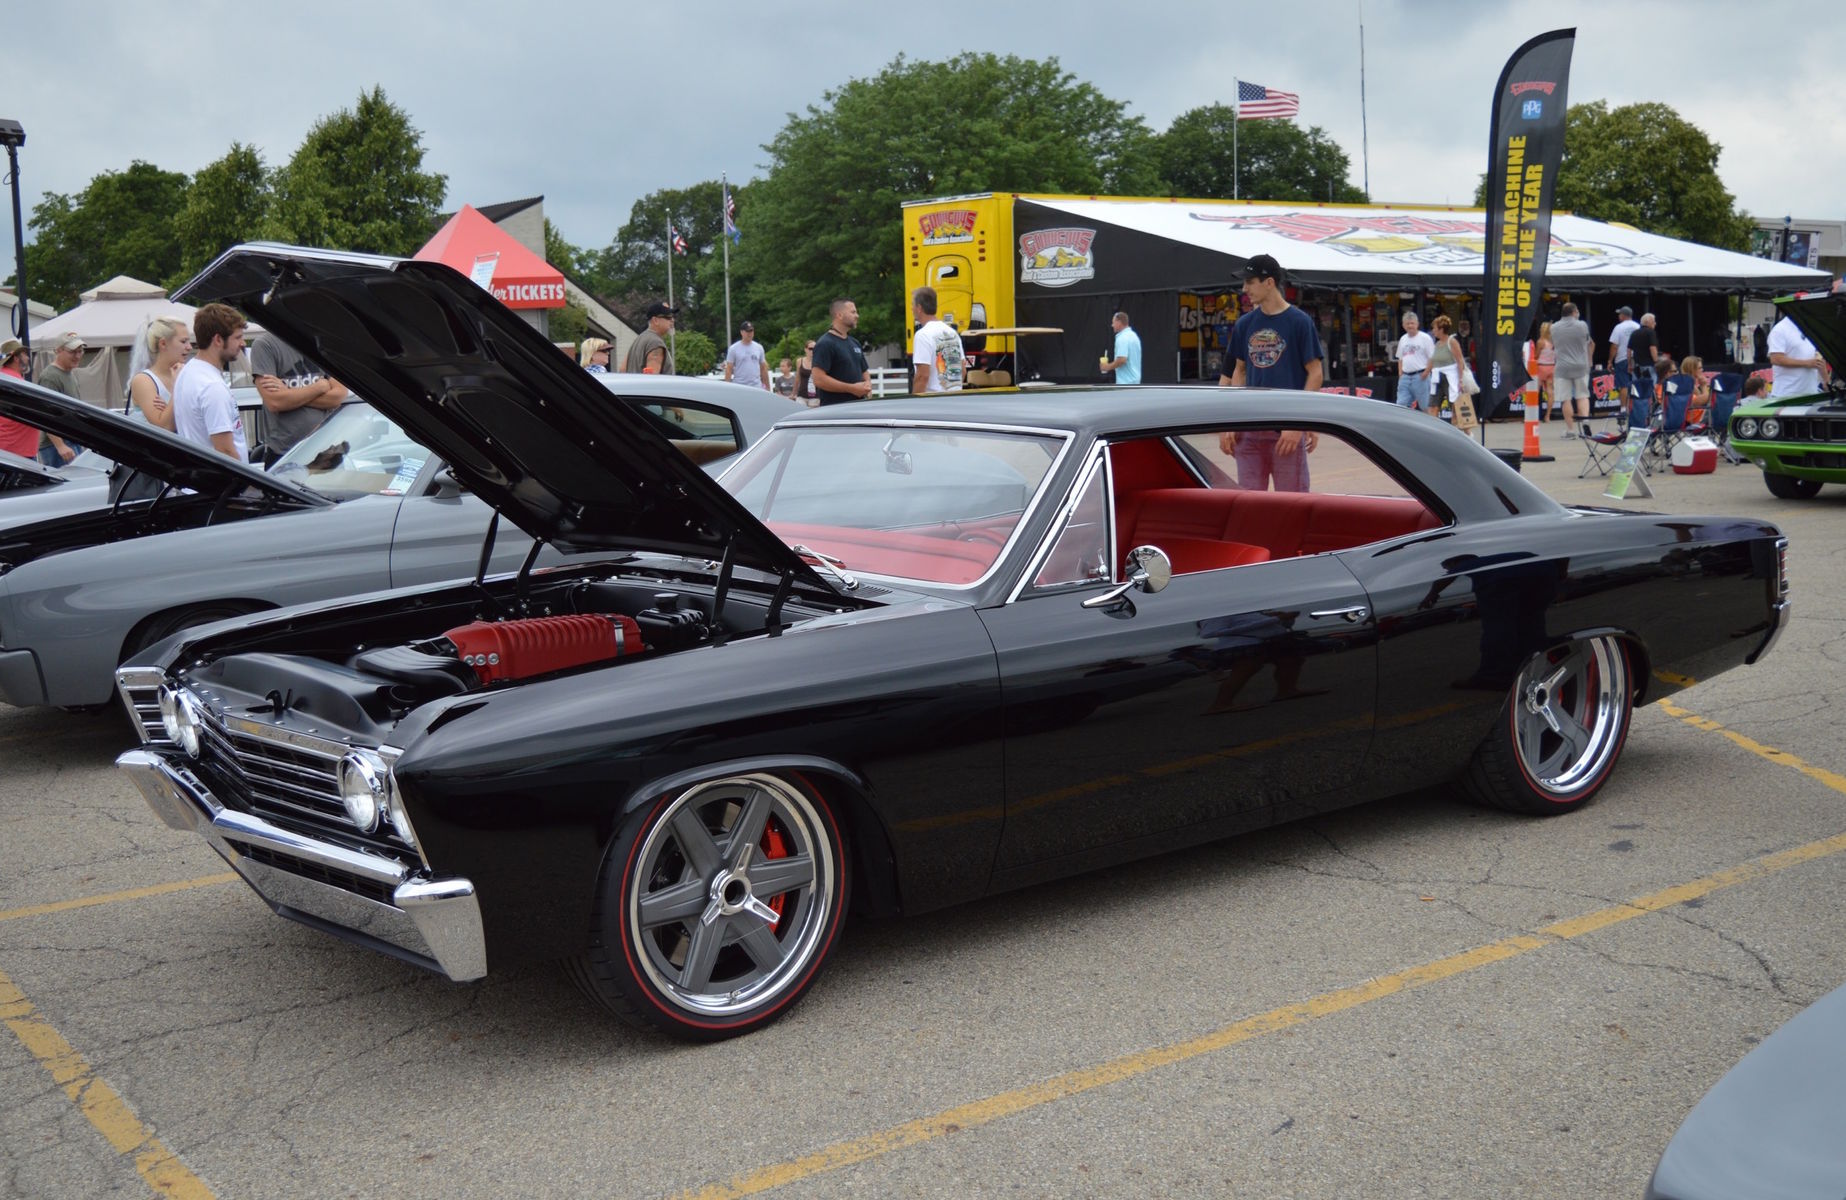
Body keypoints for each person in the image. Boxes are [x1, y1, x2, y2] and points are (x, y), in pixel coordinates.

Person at [1217, 254, 1323, 492]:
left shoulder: (1299, 322)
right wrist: (1229, 422)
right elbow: (1239, 371)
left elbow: (1315, 373)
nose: (1245, 288)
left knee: (1292, 506)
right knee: (1250, 506)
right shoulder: (1245, 324)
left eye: (1250, 281)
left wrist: (1299, 425)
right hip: (1249, 431)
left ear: (1270, 282)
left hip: (1285, 432)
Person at [172, 302, 252, 461]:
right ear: (217, 340)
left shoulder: (188, 372)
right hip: (220, 484)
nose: (243, 343)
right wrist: (247, 486)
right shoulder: (212, 387)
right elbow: (225, 452)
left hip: (197, 480)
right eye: (237, 337)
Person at [250, 334, 347, 463]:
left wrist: (289, 393)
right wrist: (318, 388)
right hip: (285, 455)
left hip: (326, 452)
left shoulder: (320, 343)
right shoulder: (265, 345)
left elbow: (338, 397)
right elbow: (274, 402)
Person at [126, 317, 192, 431]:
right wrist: (177, 389)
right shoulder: (144, 380)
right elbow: (165, 428)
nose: (189, 347)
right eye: (183, 341)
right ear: (163, 344)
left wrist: (169, 410)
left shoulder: (186, 375)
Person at [811, 299, 871, 406]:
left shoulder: (855, 342)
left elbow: (864, 370)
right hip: (836, 411)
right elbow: (818, 379)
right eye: (853, 312)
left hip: (859, 406)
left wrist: (867, 385)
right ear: (839, 315)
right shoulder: (825, 343)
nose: (857, 316)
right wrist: (851, 389)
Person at [1550, 302, 1593, 439]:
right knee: (1582, 396)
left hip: (1562, 367)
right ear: (1574, 312)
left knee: (1565, 399)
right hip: (1581, 366)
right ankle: (1585, 422)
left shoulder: (1554, 327)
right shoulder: (1582, 325)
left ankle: (1570, 430)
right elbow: (1588, 341)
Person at [910, 286, 965, 393]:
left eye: (913, 305)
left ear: (919, 308)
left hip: (933, 403)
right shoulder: (952, 333)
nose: (911, 308)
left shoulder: (923, 335)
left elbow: (922, 376)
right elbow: (962, 370)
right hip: (955, 399)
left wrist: (915, 404)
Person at [1768, 308, 1828, 398]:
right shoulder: (1780, 329)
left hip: (1811, 394)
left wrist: (1826, 380)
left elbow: (1818, 358)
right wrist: (1806, 363)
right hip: (1786, 396)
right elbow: (1776, 359)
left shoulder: (1810, 327)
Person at [0, 339, 43, 461]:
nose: (28, 358)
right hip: (18, 452)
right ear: (16, 358)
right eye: (24, 354)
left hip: (9, 448)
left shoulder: (5, 378)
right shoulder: (16, 383)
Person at [1394, 310, 1436, 413]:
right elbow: (1400, 358)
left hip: (1421, 376)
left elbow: (1433, 357)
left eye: (1412, 323)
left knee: (1425, 406)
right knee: (1401, 405)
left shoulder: (1425, 338)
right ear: (1403, 325)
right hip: (1405, 377)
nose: (1410, 326)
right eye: (1407, 323)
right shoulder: (1403, 339)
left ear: (1417, 324)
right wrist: (1400, 374)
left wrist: (1426, 372)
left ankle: (1430, 427)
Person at [1625, 312, 1660, 427]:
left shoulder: (1634, 333)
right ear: (1648, 322)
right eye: (1654, 321)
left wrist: (1630, 364)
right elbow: (1652, 348)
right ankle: (1652, 411)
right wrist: (1657, 361)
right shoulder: (1651, 333)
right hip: (1649, 365)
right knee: (1652, 389)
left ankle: (1639, 412)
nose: (1655, 323)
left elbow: (1629, 350)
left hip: (1637, 367)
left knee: (1637, 391)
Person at [624, 303, 677, 375]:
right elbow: (652, 379)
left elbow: (622, 369)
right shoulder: (655, 343)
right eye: (668, 318)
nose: (672, 320)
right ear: (655, 320)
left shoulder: (639, 338)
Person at [1608, 306, 1640, 422]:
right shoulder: (1638, 326)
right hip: (1636, 358)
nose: (1618, 316)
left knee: (1624, 385)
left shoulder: (1618, 327)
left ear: (1623, 315)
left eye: (1619, 314)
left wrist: (1610, 360)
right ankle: (1637, 407)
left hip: (1622, 358)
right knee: (1637, 383)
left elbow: (1614, 345)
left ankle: (1623, 409)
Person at [1429, 315, 1465, 414]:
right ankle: (1432, 429)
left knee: (1455, 405)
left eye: (1435, 328)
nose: (1433, 330)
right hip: (1437, 377)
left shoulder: (1452, 342)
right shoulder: (1437, 344)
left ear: (1441, 329)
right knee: (1433, 406)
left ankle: (1463, 429)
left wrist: (1461, 380)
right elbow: (1432, 361)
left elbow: (1460, 360)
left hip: (1450, 376)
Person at [723, 321, 770, 390]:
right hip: (739, 386)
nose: (749, 333)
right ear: (741, 332)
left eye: (751, 331)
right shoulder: (733, 349)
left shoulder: (759, 347)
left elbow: (763, 369)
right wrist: (727, 388)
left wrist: (767, 387)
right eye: (747, 331)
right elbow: (729, 369)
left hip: (756, 387)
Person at [1100, 312, 1142, 384]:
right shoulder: (1134, 336)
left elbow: (1122, 360)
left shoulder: (1122, 338)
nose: (1112, 325)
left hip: (1125, 383)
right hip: (1135, 381)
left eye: (1113, 322)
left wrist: (1107, 367)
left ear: (1119, 322)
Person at [1532, 320, 1556, 420]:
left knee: (1535, 391)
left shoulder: (1541, 341)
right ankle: (1548, 415)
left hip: (1541, 367)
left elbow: (1536, 356)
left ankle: (1532, 415)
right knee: (1550, 392)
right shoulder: (1554, 342)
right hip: (1552, 367)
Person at [796, 340, 817, 406]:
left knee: (813, 415)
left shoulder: (819, 361)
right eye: (810, 349)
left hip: (815, 395)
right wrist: (793, 393)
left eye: (815, 349)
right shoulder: (799, 361)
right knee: (800, 414)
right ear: (805, 349)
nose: (813, 351)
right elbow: (797, 378)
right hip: (801, 394)